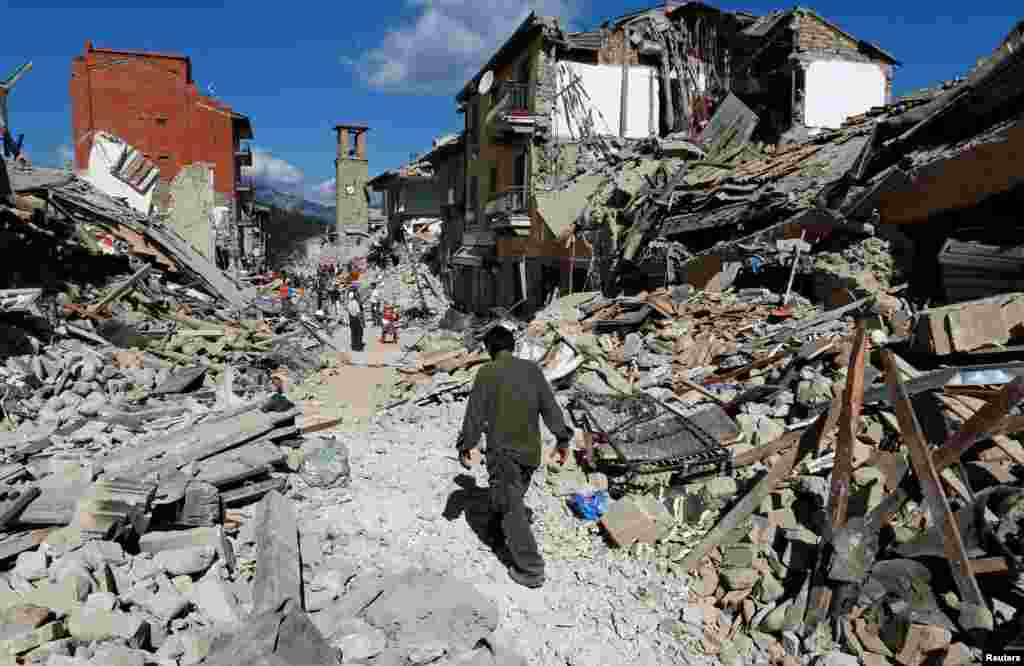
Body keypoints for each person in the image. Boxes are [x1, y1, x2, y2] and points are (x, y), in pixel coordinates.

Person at [456, 325, 573, 589]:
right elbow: (550, 408)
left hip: (503, 453)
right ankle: (496, 534)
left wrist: (467, 445)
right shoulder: (532, 371)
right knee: (511, 496)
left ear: (489, 350)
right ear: (513, 346)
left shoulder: (487, 372)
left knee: (511, 507)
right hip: (530, 453)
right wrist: (562, 439)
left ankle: (531, 569)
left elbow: (474, 416)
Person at [347, 287, 365, 351]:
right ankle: (358, 347)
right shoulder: (355, 303)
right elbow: (358, 313)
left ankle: (353, 346)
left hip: (351, 319)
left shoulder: (349, 303)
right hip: (356, 319)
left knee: (353, 333)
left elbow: (349, 312)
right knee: (359, 333)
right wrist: (362, 321)